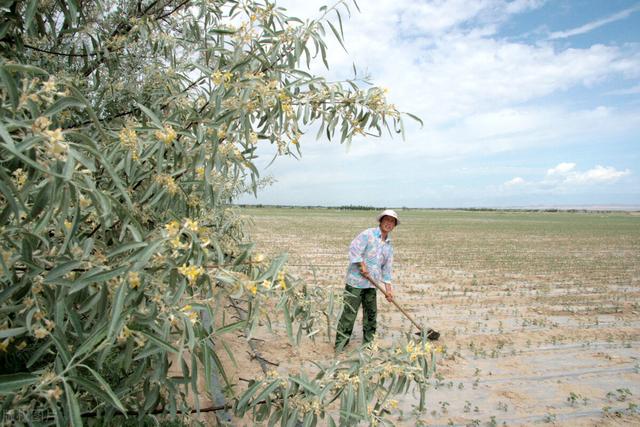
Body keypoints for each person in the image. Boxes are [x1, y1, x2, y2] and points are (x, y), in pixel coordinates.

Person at [335, 209, 399, 352]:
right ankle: (340, 345)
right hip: (355, 283)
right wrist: (361, 264)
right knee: (349, 315)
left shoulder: (389, 246)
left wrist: (388, 290)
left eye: (392, 222)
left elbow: (387, 270)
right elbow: (353, 249)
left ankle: (369, 344)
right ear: (381, 221)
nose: (388, 223)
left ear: (394, 225)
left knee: (371, 315)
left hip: (372, 284)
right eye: (386, 220)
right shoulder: (368, 234)